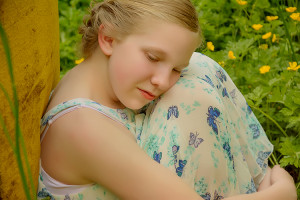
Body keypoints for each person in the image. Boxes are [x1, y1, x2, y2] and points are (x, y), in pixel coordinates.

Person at [37, 0, 297, 199]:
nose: (163, 80)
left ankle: (256, 183)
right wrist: (283, 192)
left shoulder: (91, 79)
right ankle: (263, 186)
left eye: (175, 69)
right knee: (191, 97)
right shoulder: (83, 129)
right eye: (153, 57)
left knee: (198, 68)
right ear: (108, 39)